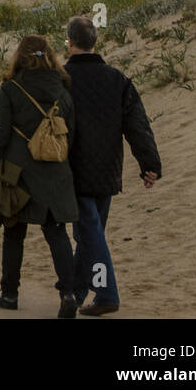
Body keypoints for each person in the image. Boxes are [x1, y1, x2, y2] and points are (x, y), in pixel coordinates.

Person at [64, 16, 162, 316]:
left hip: (74, 168)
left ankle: (106, 294)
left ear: (69, 43)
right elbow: (138, 126)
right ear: (96, 42)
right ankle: (78, 293)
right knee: (89, 233)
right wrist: (150, 163)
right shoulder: (117, 79)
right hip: (107, 168)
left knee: (89, 233)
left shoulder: (62, 78)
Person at [0, 35, 79, 319]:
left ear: (20, 56)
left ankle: (9, 293)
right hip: (56, 170)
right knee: (56, 233)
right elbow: (71, 134)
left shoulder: (11, 89)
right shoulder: (63, 90)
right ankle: (68, 294)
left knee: (14, 233)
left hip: (20, 172)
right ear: (50, 56)